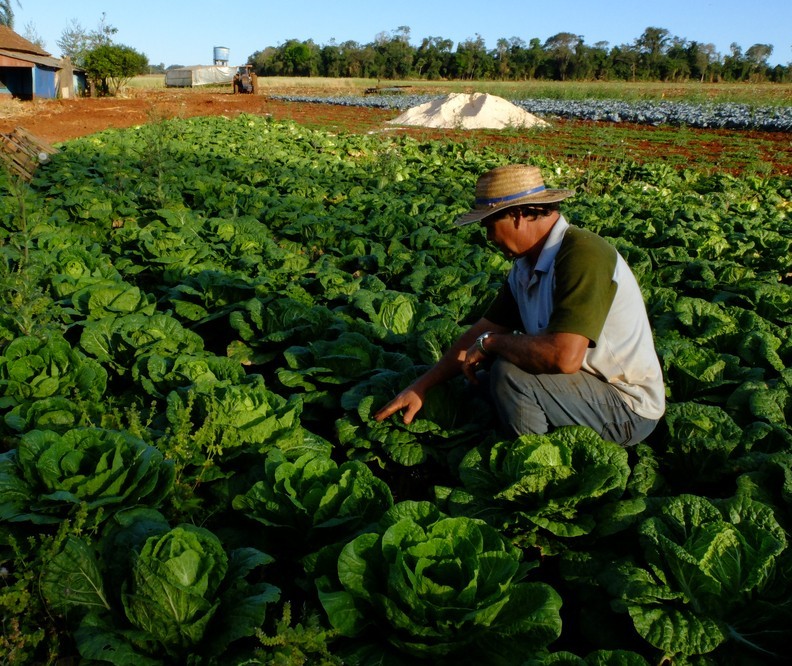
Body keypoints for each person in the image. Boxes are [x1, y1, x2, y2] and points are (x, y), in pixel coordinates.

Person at [373, 164, 665, 446]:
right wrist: (421, 386)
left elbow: (564, 358)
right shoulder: (526, 265)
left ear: (517, 215)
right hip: (578, 391)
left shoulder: (583, 255)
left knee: (509, 376)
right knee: (474, 386)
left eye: (489, 225)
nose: (488, 237)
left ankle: (534, 473)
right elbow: (481, 331)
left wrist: (494, 344)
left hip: (625, 408)